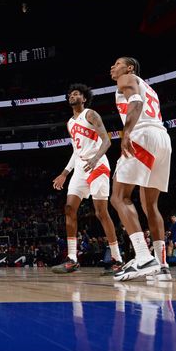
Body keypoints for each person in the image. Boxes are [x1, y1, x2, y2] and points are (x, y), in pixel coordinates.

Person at [108, 57, 172, 281]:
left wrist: (126, 133)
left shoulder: (126, 78)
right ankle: (162, 263)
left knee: (118, 197)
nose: (113, 67)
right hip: (163, 139)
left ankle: (144, 257)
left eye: (117, 63)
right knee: (150, 204)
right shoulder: (150, 87)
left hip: (143, 136)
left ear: (130, 67)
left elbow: (135, 103)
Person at [51, 84, 123, 275]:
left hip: (98, 166)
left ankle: (117, 259)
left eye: (76, 94)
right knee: (69, 208)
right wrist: (64, 173)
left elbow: (107, 141)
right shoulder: (70, 123)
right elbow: (76, 152)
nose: (72, 96)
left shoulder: (90, 114)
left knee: (101, 213)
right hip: (81, 169)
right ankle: (72, 259)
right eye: (70, 94)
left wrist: (95, 158)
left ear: (83, 98)